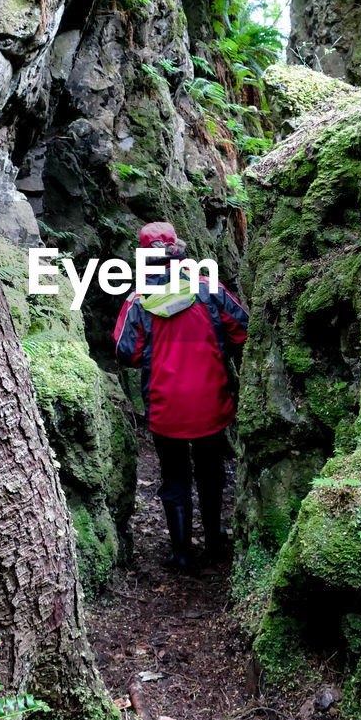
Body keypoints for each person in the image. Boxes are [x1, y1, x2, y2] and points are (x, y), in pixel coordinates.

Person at [113, 221, 249, 573]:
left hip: (166, 408)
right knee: (210, 469)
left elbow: (125, 352)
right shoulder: (209, 289)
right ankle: (216, 539)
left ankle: (182, 553)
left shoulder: (139, 300)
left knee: (174, 478)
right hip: (211, 402)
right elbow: (243, 328)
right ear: (177, 251)